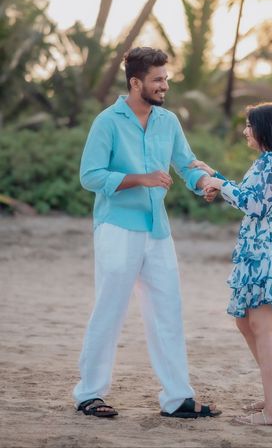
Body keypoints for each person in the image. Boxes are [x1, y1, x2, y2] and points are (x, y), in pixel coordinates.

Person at [73, 46, 221, 420]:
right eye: (157, 79)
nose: (164, 85)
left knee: (168, 312)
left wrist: (204, 182)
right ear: (135, 82)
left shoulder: (168, 121)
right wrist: (141, 178)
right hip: (117, 228)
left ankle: (177, 398)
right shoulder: (107, 121)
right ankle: (89, 394)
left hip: (158, 231)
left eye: (166, 79)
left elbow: (187, 164)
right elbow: (90, 175)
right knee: (110, 309)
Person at [192, 102, 272, 426]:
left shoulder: (271, 162)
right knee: (245, 322)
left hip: (265, 248)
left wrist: (220, 184)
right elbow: (247, 194)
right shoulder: (269, 161)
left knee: (262, 326)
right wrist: (216, 178)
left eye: (248, 125)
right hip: (259, 246)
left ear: (263, 129)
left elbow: (252, 204)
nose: (245, 131)